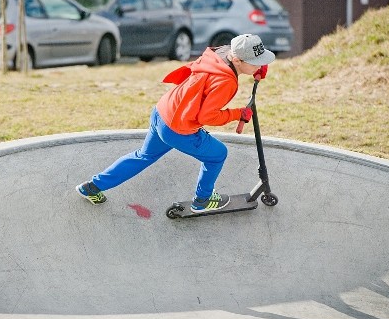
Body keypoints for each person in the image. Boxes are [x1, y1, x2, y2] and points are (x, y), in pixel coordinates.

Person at [76, 34, 275, 213]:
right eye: (256, 62)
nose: (259, 65)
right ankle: (203, 200)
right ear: (238, 59)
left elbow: (239, 59)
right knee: (217, 155)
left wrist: (258, 67)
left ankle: (92, 187)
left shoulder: (221, 53)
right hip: (179, 128)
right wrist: (237, 113)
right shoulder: (226, 82)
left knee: (143, 156)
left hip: (163, 112)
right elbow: (208, 116)